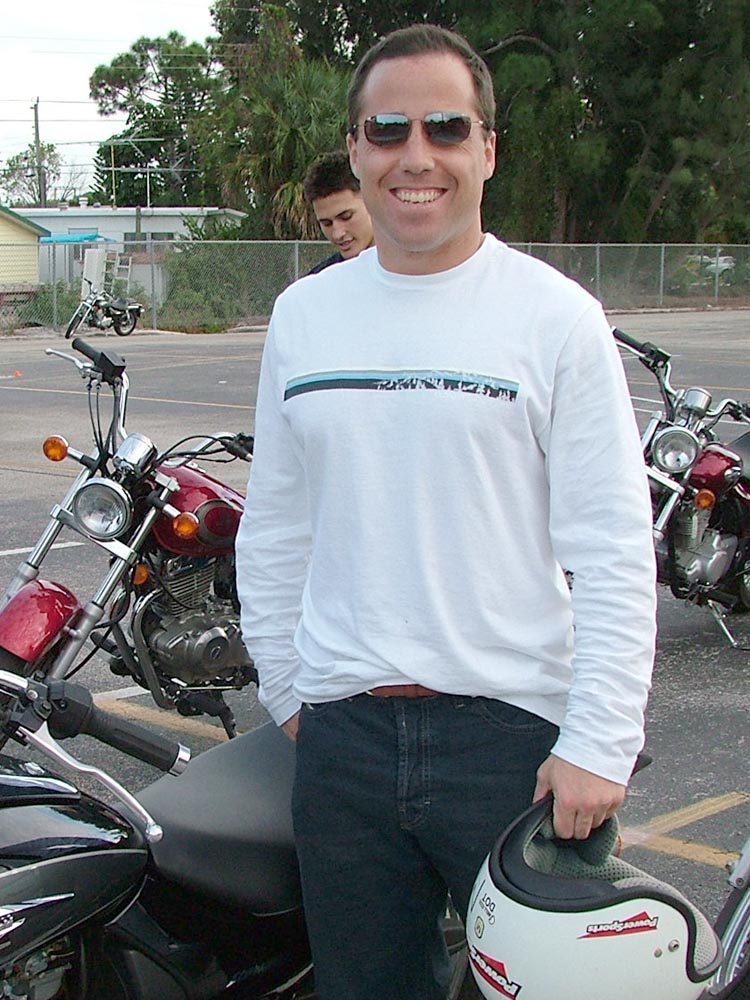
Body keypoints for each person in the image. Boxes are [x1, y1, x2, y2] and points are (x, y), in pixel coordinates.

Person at [236, 22, 657, 1000]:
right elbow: (279, 525)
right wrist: (292, 693)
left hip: (513, 743)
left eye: (446, 127)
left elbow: (611, 546)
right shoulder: (306, 317)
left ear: (488, 150)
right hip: (343, 741)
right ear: (356, 149)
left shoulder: (555, 317)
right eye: (387, 130)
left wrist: (598, 742)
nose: (415, 155)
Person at [302, 149, 374, 273]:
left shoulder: (409, 270)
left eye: (346, 217)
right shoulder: (319, 280)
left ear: (372, 200)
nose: (337, 234)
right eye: (326, 223)